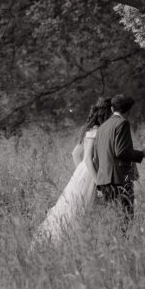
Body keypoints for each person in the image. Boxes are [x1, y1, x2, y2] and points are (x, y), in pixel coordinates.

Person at [34, 96, 112, 242]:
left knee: (76, 209)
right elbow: (88, 159)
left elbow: (76, 153)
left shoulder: (91, 130)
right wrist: (95, 181)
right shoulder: (96, 132)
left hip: (84, 173)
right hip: (91, 173)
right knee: (82, 212)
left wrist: (80, 175)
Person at [94, 93, 145, 222]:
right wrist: (142, 153)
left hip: (103, 180)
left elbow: (96, 157)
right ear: (128, 111)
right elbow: (121, 152)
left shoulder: (102, 127)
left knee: (112, 219)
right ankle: (124, 242)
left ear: (112, 109)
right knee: (126, 219)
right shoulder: (123, 123)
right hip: (119, 179)